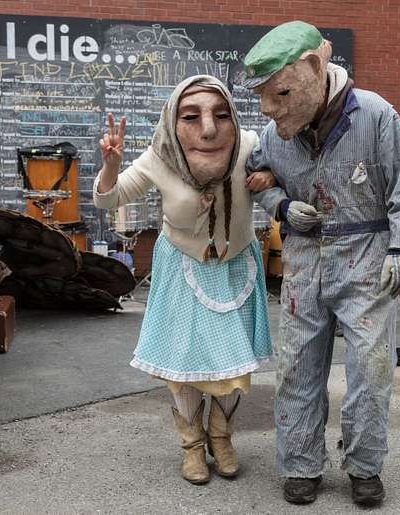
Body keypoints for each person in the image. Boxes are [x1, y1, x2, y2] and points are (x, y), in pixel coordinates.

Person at [243, 21, 400, 506]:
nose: (268, 109)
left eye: (279, 94)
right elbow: (256, 175)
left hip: (366, 256)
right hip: (305, 259)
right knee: (297, 366)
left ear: (314, 67)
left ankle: (365, 466)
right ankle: (301, 465)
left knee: (370, 366)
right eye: (262, 97)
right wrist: (280, 206)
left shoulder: (377, 117)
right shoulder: (274, 133)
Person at [93, 75, 275, 485]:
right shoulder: (160, 157)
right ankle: (192, 446)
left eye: (220, 115)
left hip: (235, 267)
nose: (208, 129)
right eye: (191, 116)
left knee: (234, 364)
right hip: (183, 267)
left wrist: (271, 179)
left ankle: (221, 437)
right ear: (173, 120)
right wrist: (111, 166)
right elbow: (108, 199)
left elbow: (287, 170)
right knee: (183, 366)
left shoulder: (249, 146)